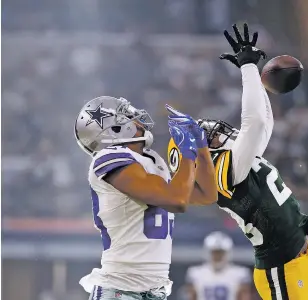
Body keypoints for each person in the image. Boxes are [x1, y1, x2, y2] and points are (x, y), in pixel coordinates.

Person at [168, 24, 308, 300]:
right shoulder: (226, 175)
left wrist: (255, 76)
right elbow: (255, 123)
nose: (217, 133)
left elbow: (265, 123)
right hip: (283, 271)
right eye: (207, 137)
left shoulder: (235, 162)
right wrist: (247, 68)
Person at [74, 96, 217, 300]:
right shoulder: (109, 158)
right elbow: (177, 201)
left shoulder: (153, 160)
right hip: (119, 291)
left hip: (155, 291)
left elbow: (207, 194)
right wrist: (187, 152)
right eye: (128, 116)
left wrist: (201, 148)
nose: (137, 118)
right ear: (113, 129)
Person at [184, 231, 252, 300]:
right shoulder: (195, 273)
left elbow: (244, 297)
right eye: (214, 253)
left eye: (220, 253)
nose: (217, 256)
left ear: (228, 253)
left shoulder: (240, 274)